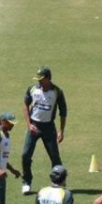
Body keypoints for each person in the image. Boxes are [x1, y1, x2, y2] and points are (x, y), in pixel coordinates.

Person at [21, 66, 67, 194]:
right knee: (25, 154)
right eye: (38, 79)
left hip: (49, 127)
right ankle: (26, 182)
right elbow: (25, 105)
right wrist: (29, 124)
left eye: (41, 79)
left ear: (48, 78)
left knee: (55, 157)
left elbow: (63, 112)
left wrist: (61, 131)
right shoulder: (33, 89)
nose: (39, 82)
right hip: (34, 126)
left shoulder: (57, 92)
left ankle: (59, 183)